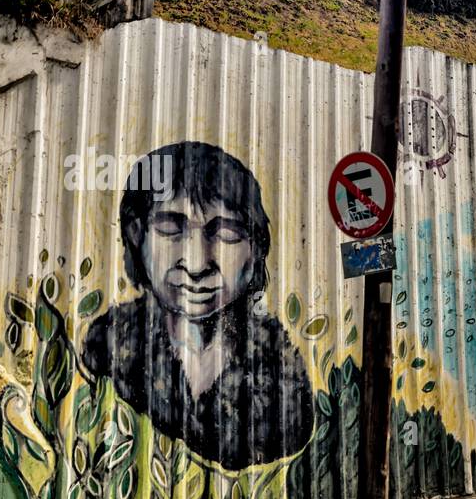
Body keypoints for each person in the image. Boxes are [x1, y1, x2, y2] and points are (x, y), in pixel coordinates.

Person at [82, 141, 314, 470]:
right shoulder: (106, 349)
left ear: (255, 249)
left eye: (225, 233)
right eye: (170, 227)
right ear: (137, 234)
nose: (196, 264)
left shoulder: (282, 378)